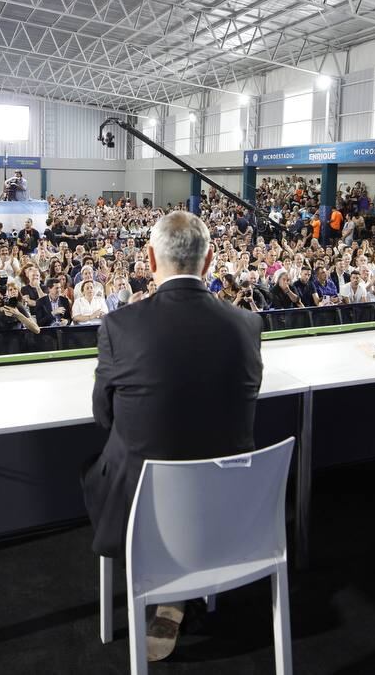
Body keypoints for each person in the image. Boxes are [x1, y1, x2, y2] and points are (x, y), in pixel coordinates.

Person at [81, 211, 262, 662]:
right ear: (210, 261)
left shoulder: (120, 327)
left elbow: (103, 416)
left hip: (143, 510)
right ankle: (185, 579)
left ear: (148, 258)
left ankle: (170, 585)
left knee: (102, 460)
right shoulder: (247, 325)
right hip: (230, 505)